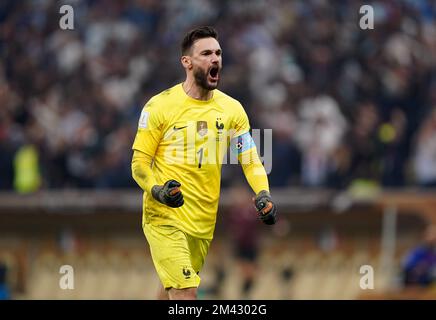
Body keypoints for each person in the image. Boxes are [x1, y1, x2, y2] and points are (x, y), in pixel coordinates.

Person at [131, 26, 277, 300]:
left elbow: (250, 158)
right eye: (206, 53)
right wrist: (157, 191)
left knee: (171, 293)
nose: (215, 59)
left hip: (202, 222)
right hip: (165, 216)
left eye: (218, 53)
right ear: (187, 62)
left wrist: (263, 192)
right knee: (186, 294)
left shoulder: (232, 109)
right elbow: (139, 163)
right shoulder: (159, 106)